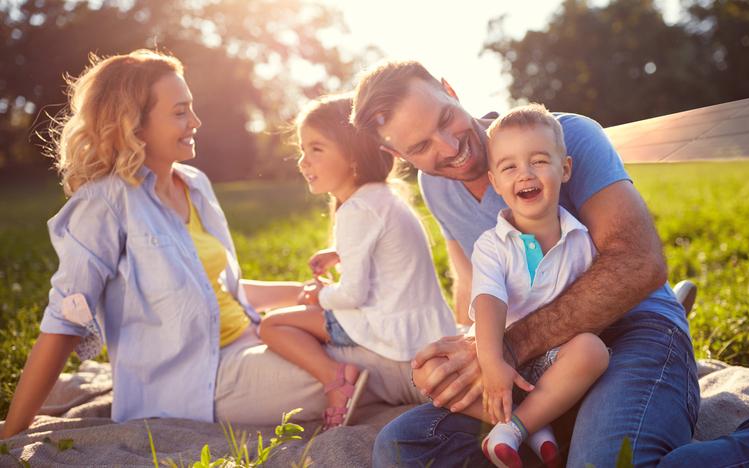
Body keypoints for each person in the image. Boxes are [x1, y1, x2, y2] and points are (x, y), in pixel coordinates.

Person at [351, 60, 749, 467]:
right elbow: (474, 281)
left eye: (445, 119)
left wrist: (505, 348)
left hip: (632, 328)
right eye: (420, 148)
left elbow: (639, 263)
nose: (448, 147)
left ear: (451, 91)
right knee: (402, 446)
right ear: (397, 155)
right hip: (536, 356)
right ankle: (549, 432)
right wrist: (465, 356)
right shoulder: (436, 185)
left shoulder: (565, 137)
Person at [0, 50, 423, 439]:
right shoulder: (103, 204)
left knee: (384, 336)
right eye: (180, 112)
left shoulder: (194, 184)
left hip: (252, 339)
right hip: (198, 382)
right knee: (374, 366)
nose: (196, 121)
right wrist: (12, 432)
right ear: (135, 124)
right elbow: (64, 323)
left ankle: (471, 381)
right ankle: (473, 399)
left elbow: (221, 291)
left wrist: (306, 295)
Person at [420, 104, 609, 467]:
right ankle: (538, 425)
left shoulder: (582, 240)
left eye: (538, 161)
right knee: (425, 370)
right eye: (509, 167)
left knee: (593, 351)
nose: (525, 174)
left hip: (553, 359)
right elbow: (489, 302)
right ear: (495, 182)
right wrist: (492, 362)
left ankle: (515, 428)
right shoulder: (492, 245)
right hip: (499, 351)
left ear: (564, 168)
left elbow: (593, 309)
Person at [257, 94, 457, 430]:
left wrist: (317, 296)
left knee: (272, 325)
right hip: (426, 326)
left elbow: (352, 295)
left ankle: (336, 379)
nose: (303, 162)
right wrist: (338, 252)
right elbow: (383, 248)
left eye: (316, 149)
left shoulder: (356, 210)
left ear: (352, 156)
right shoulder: (383, 197)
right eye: (303, 150)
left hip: (390, 330)